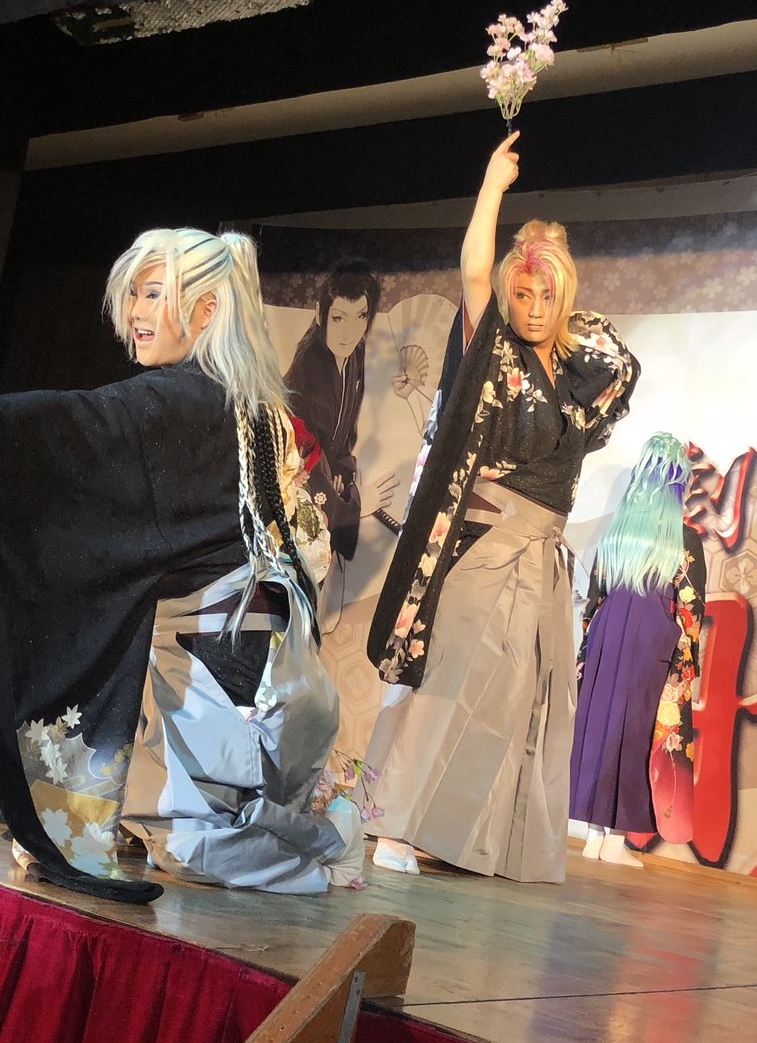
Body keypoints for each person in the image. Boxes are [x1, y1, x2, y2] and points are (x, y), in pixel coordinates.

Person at [0, 227, 364, 903]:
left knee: (192, 837)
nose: (135, 313)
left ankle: (323, 846)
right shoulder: (252, 404)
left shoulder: (190, 399)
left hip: (227, 651)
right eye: (133, 296)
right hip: (239, 638)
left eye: (154, 294)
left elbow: (77, 422)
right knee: (87, 697)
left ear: (208, 309)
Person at [363, 131, 640, 883]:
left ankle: (465, 837)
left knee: (512, 697)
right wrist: (491, 185)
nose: (534, 307)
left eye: (547, 295)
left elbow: (610, 380)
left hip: (541, 550)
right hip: (485, 543)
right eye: (523, 294)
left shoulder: (586, 364)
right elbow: (475, 270)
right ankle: (389, 824)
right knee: (446, 682)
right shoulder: (497, 350)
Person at [570, 433, 706, 866]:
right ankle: (615, 842)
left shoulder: (618, 534)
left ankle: (593, 835)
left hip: (608, 630)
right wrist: (687, 667)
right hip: (653, 636)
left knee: (600, 726)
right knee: (636, 733)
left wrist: (587, 650)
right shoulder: (683, 540)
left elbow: (595, 598)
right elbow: (691, 608)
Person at [284, 260, 398, 561]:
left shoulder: (353, 348)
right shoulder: (305, 372)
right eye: (338, 318)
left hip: (331, 477)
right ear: (320, 315)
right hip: (300, 489)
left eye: (360, 317)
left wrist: (342, 472)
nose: (349, 332)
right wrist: (353, 505)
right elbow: (300, 458)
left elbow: (347, 425)